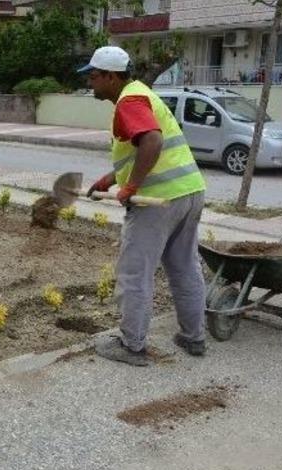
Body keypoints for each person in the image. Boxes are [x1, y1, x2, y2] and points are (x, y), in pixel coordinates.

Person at [79, 46, 208, 366]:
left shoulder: (128, 101)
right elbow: (142, 148)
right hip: (189, 192)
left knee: (134, 273)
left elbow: (151, 140)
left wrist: (132, 185)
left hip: (157, 202)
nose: (90, 83)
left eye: (93, 76)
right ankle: (195, 337)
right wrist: (112, 178)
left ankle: (132, 345)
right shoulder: (142, 93)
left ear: (111, 76)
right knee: (185, 267)